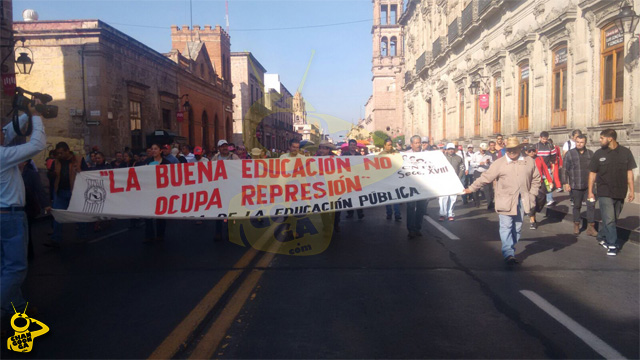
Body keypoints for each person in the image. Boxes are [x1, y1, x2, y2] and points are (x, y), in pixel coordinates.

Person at [464, 137, 541, 264]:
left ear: (519, 149)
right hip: (505, 200)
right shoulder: (499, 163)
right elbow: (486, 177)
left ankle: (511, 247)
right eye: (508, 150)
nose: (511, 152)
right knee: (506, 226)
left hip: (522, 200)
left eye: (513, 149)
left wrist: (532, 194)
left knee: (517, 227)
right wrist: (471, 188)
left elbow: (536, 179)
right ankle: (508, 253)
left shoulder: (529, 161)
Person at [1, 107, 46, 320]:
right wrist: (36, 118)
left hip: (4, 215)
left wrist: (27, 113)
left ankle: (16, 308)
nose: (4, 133)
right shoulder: (2, 155)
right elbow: (36, 144)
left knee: (5, 266)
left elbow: (9, 131)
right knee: (16, 269)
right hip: (9, 215)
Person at [588, 129, 636, 256]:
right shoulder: (598, 154)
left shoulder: (626, 152)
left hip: (620, 191)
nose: (600, 140)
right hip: (604, 191)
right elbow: (592, 174)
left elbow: (629, 173)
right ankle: (612, 244)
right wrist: (590, 192)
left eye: (601, 138)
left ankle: (602, 236)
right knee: (609, 219)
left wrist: (632, 190)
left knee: (613, 218)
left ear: (610, 139)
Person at [45, 142, 82, 248]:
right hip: (60, 192)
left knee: (79, 215)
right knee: (57, 215)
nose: (59, 155)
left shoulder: (78, 160)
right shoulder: (56, 162)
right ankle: (56, 238)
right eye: (58, 153)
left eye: (61, 153)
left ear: (67, 151)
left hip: (74, 192)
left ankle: (81, 236)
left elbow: (85, 174)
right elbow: (52, 176)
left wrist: (80, 171)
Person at [562, 135, 596, 236]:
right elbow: (564, 169)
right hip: (575, 185)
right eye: (577, 142)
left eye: (581, 142)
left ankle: (591, 227)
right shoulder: (570, 154)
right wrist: (566, 183)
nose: (579, 144)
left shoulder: (590, 154)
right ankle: (576, 225)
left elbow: (594, 169)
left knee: (591, 205)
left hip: (588, 186)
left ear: (585, 142)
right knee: (577, 206)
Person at [21, 159, 50, 260]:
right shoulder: (12, 173)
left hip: (28, 205)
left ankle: (29, 255)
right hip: (17, 206)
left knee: (26, 231)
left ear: (24, 162)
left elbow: (39, 190)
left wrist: (45, 204)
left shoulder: (32, 174)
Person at [144, 144, 171, 243]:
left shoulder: (166, 163)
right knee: (148, 214)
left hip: (161, 192)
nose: (154, 151)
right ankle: (149, 235)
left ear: (160, 151)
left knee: (160, 214)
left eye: (156, 149)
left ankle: (160, 235)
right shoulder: (147, 162)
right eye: (152, 149)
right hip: (150, 191)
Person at [405, 135, 428, 239]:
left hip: (423, 186)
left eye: (420, 143)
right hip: (410, 186)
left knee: (421, 208)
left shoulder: (427, 155)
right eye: (416, 143)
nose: (419, 145)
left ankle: (418, 228)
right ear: (411, 144)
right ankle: (410, 229)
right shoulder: (405, 155)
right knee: (410, 207)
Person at [317, 140, 341, 233]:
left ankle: (335, 224)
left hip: (334, 187)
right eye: (320, 148)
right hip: (321, 188)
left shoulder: (335, 158)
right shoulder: (316, 158)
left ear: (328, 150)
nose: (321, 150)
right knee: (323, 209)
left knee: (336, 208)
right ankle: (327, 226)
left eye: (324, 148)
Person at [524, 144, 550, 230]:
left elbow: (545, 169)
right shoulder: (524, 161)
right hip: (529, 184)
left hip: (540, 182)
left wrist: (550, 181)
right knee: (532, 202)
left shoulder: (539, 158)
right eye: (529, 151)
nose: (532, 152)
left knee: (542, 198)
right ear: (526, 152)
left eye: (533, 150)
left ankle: (534, 211)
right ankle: (532, 221)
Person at [439, 143, 465, 221]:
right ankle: (442, 214)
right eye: (449, 149)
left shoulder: (459, 158)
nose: (451, 150)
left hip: (455, 180)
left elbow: (462, 168)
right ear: (446, 150)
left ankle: (450, 214)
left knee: (453, 198)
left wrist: (458, 177)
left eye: (452, 149)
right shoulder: (442, 158)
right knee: (443, 197)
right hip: (444, 180)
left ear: (454, 150)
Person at [341, 139, 364, 220]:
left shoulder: (359, 155)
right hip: (348, 179)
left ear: (356, 146)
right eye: (351, 145)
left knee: (358, 196)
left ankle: (360, 212)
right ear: (349, 146)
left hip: (357, 179)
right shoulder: (344, 155)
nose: (353, 146)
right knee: (349, 196)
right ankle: (350, 212)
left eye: (354, 145)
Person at [379, 138, 401, 221]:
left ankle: (397, 214)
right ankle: (389, 213)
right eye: (388, 145)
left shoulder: (396, 153)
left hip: (395, 179)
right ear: (384, 146)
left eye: (391, 145)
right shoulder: (381, 155)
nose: (390, 146)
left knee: (396, 197)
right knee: (388, 198)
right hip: (386, 179)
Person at [534, 131, 558, 206]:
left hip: (547, 167)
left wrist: (553, 167)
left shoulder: (550, 146)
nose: (544, 140)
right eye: (543, 139)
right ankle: (537, 198)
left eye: (546, 139)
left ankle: (549, 199)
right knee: (537, 183)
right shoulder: (536, 146)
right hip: (538, 168)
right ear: (540, 138)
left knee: (548, 183)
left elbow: (553, 157)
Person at [470, 143, 494, 209]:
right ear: (479, 148)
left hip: (486, 172)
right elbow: (472, 164)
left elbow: (492, 163)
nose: (483, 151)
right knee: (476, 188)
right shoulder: (475, 155)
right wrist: (478, 163)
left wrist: (489, 163)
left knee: (487, 189)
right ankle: (476, 202)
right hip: (478, 172)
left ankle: (489, 204)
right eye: (482, 150)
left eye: (484, 150)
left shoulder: (489, 155)